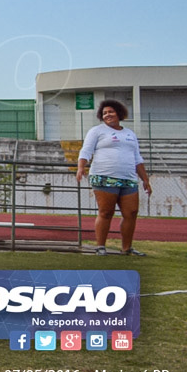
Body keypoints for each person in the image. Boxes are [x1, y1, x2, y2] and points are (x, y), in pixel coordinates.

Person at [76, 99, 152, 256]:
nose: (107, 115)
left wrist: (145, 179)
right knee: (106, 212)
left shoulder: (130, 134)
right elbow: (86, 151)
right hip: (104, 177)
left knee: (131, 212)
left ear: (119, 113)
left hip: (128, 178)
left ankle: (127, 248)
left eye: (110, 112)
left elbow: (137, 158)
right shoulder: (97, 131)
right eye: (104, 113)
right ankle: (100, 247)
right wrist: (81, 167)